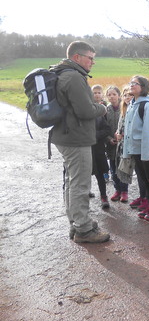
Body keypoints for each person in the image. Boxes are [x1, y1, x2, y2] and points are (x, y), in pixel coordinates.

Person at [50, 41, 109, 243]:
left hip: (65, 135)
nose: (93, 62)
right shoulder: (74, 77)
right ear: (77, 57)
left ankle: (76, 222)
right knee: (80, 184)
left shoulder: (62, 73)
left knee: (71, 182)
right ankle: (83, 229)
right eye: (90, 58)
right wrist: (101, 108)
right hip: (76, 138)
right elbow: (85, 111)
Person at [122, 75, 149, 222]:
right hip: (135, 149)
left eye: (136, 83)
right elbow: (128, 130)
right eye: (131, 83)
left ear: (143, 87)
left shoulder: (146, 105)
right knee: (143, 178)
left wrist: (147, 153)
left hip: (144, 150)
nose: (132, 85)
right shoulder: (132, 104)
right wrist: (127, 151)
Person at [106, 86, 129, 203]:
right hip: (111, 145)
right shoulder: (106, 110)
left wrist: (122, 136)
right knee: (113, 169)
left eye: (114, 94)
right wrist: (109, 138)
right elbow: (104, 128)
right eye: (109, 95)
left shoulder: (125, 107)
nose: (111, 96)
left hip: (123, 144)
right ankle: (117, 190)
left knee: (123, 168)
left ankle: (124, 191)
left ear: (119, 95)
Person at [91, 84, 112, 209]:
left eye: (99, 92)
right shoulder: (82, 110)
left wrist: (95, 136)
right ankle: (84, 195)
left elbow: (107, 129)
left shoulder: (100, 112)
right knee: (83, 173)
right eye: (94, 93)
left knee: (99, 173)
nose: (96, 95)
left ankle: (104, 196)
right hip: (84, 147)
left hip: (97, 147)